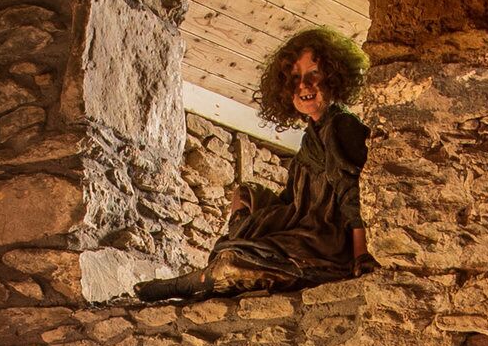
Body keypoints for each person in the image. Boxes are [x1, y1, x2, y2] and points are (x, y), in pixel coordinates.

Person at [136, 26, 369, 301]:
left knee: (237, 263)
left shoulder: (342, 125)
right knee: (246, 195)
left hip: (325, 236)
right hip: (302, 220)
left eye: (313, 75)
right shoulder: (311, 135)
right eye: (295, 78)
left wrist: (361, 255)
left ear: (334, 76)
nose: (304, 86)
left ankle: (201, 278)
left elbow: (352, 194)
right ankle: (233, 256)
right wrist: (262, 216)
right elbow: (292, 197)